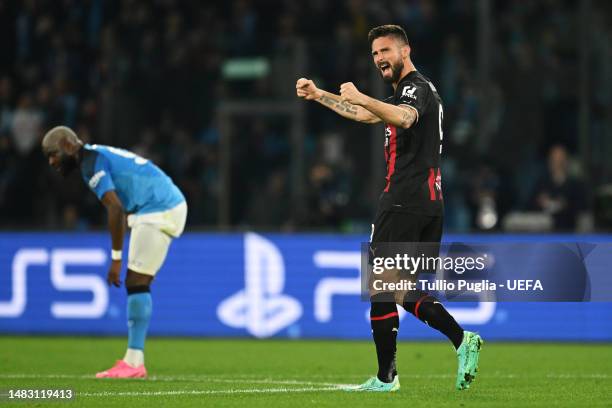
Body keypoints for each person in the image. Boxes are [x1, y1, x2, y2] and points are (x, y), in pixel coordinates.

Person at [296, 25, 482, 392]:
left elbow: (405, 118)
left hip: (404, 201)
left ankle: (387, 378)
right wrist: (320, 95)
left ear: (405, 51)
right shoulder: (408, 93)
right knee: (399, 289)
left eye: (385, 51)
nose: (380, 58)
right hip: (427, 204)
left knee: (381, 288)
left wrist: (364, 96)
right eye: (375, 54)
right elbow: (367, 116)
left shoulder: (415, 88)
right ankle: (462, 340)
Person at [41, 126, 187, 379]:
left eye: (52, 154)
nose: (52, 162)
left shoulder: (90, 163)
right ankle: (133, 360)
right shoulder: (95, 155)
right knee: (139, 281)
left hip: (158, 207)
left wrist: (116, 259)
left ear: (66, 145)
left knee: (136, 280)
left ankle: (133, 363)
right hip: (161, 204)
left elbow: (115, 209)